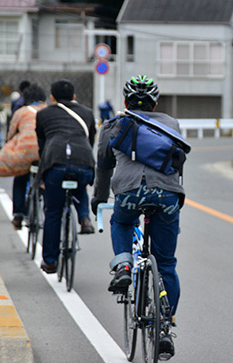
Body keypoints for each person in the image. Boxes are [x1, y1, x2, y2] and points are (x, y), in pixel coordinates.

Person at [91, 75, 185, 358]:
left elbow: (104, 167)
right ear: (156, 102)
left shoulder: (113, 125)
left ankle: (123, 267)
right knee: (165, 263)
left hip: (129, 193)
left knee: (121, 221)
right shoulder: (170, 123)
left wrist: (98, 197)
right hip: (168, 195)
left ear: (125, 101)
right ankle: (165, 328)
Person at [35, 79, 97, 274]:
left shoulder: (43, 114)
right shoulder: (87, 113)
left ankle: (50, 261)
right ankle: (85, 218)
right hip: (84, 161)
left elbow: (42, 144)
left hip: (56, 162)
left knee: (53, 212)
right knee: (80, 184)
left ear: (52, 97)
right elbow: (91, 139)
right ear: (74, 96)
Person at [7, 84, 47, 230]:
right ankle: (47, 210)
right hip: (45, 153)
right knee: (47, 178)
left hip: (25, 153)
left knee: (20, 178)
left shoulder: (20, 112)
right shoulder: (49, 110)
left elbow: (11, 135)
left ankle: (18, 214)